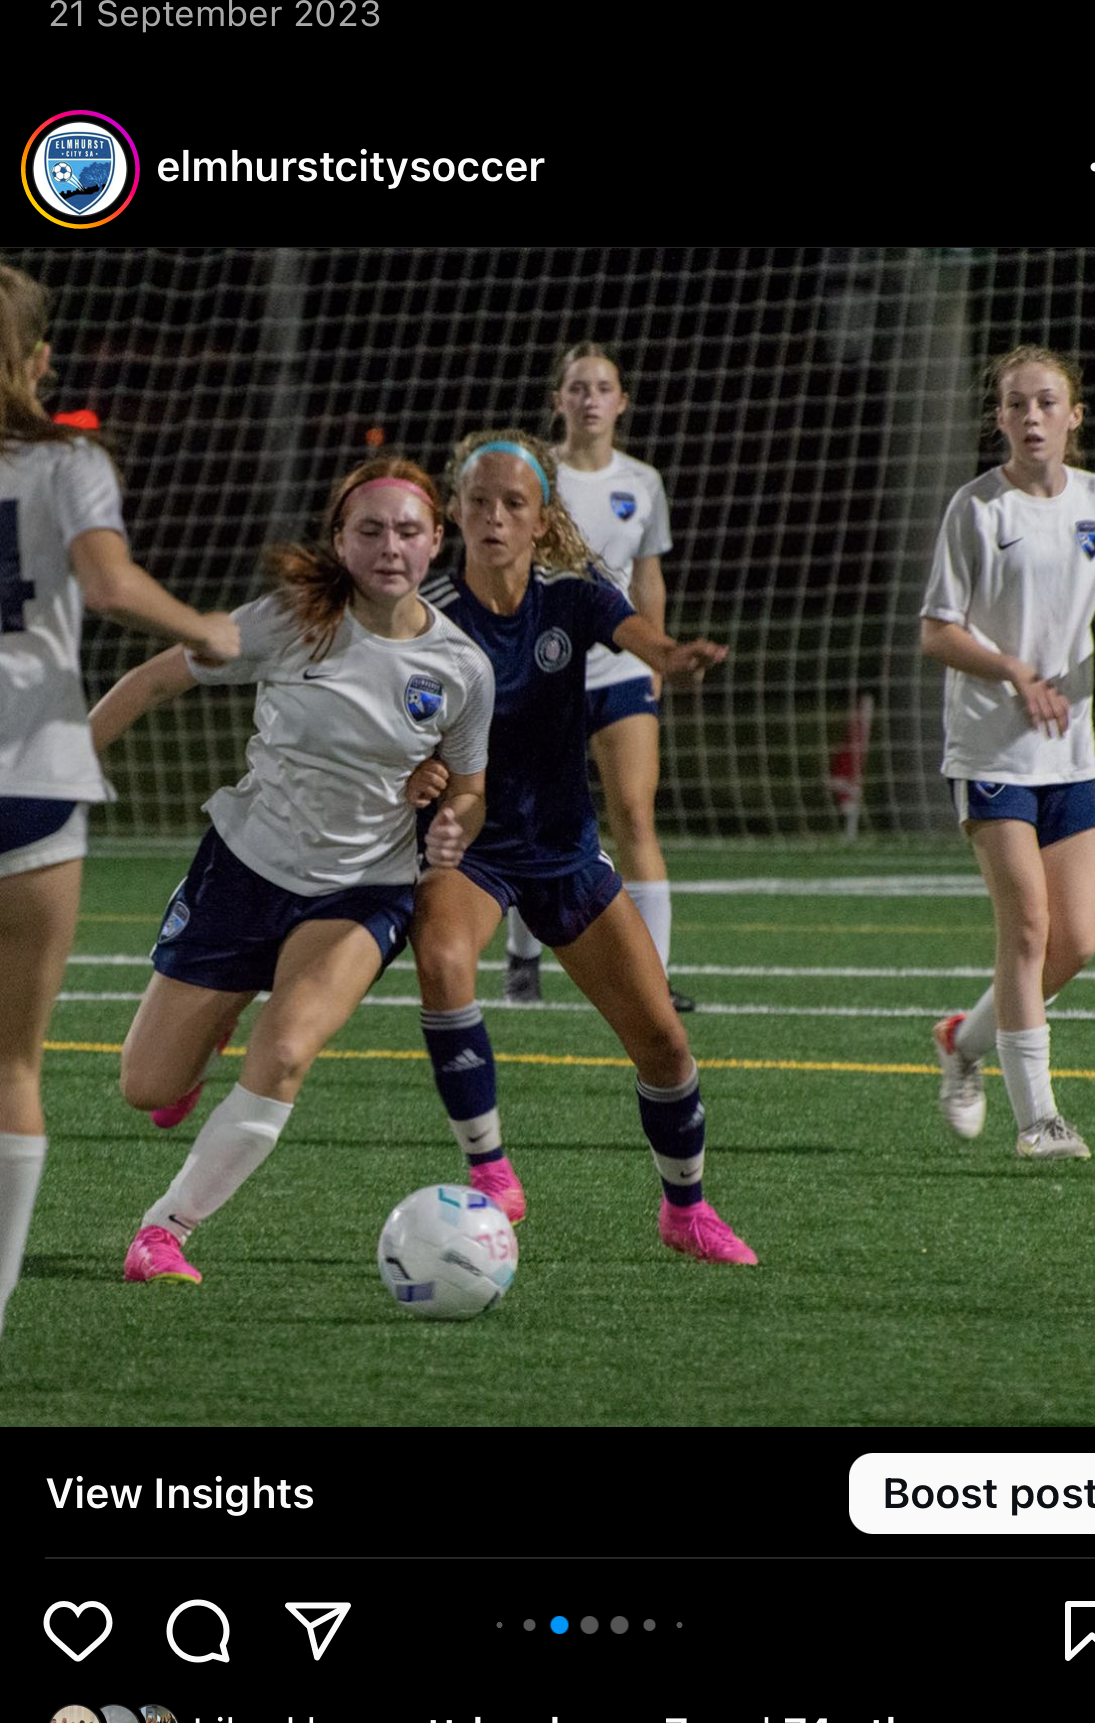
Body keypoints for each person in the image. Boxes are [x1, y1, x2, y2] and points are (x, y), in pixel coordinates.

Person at [88, 458, 497, 1284]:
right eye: (370, 530)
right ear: (340, 540)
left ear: (435, 542)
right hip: (245, 868)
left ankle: (165, 1232)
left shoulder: (462, 668)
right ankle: (216, 1019)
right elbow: (152, 680)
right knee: (145, 1086)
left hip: (363, 891)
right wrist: (67, 768)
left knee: (286, 1052)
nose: (390, 547)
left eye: (408, 531)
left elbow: (471, 787)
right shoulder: (290, 622)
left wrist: (453, 821)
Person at [411, 431, 757, 1264]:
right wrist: (421, 769)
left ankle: (686, 1210)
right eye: (479, 502)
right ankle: (490, 1168)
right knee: (444, 960)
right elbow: (398, 724)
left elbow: (642, 637)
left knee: (664, 1044)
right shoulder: (424, 615)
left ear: (541, 520)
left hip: (564, 849)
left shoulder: (569, 596)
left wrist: (674, 656)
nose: (494, 517)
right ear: (455, 511)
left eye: (513, 504)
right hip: (475, 849)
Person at [0, 264, 241, 1337]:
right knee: (10, 1062)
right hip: (31, 779)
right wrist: (204, 627)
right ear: (39, 359)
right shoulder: (70, 459)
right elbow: (105, 583)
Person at [920, 343, 1095, 1159]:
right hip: (990, 753)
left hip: (1070, 756)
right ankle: (1039, 1121)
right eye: (1014, 403)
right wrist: (1010, 671)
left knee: (1076, 941)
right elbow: (936, 632)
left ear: (1073, 417)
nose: (1030, 417)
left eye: (1045, 403)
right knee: (1025, 928)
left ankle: (962, 1041)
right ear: (997, 417)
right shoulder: (976, 510)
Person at [503, 340, 693, 1011]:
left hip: (619, 670)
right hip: (542, 673)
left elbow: (648, 576)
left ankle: (655, 978)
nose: (589, 399)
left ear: (621, 402)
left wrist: (657, 654)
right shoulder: (533, 475)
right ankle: (522, 956)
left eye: (601, 387)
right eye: (577, 387)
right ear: (557, 400)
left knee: (635, 818)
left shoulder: (641, 482)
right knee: (530, 820)